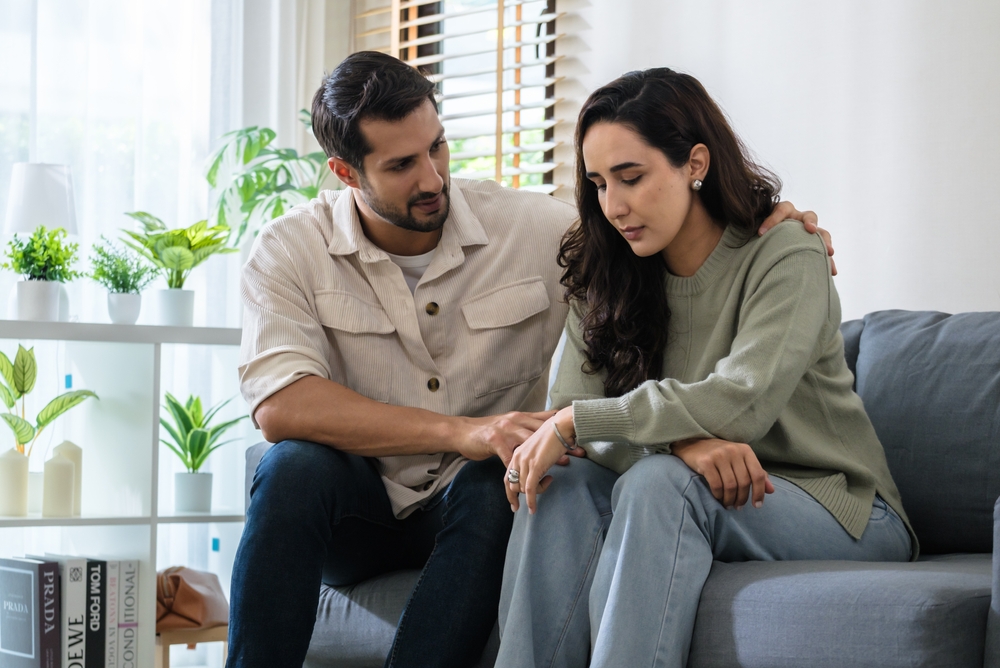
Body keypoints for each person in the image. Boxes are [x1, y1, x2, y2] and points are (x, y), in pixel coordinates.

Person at [228, 53, 829, 668]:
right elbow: (281, 405)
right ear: (347, 173)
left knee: (515, 474)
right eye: (402, 165)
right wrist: (463, 431)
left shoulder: (541, 230)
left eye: (437, 148)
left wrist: (779, 224)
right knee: (291, 468)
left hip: (478, 499)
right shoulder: (289, 250)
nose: (433, 178)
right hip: (358, 507)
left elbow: (651, 228)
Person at [496, 68, 916, 668]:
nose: (613, 206)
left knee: (658, 482)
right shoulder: (608, 274)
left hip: (837, 504)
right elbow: (579, 433)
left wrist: (635, 442)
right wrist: (680, 445)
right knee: (561, 485)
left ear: (695, 163)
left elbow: (739, 402)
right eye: (598, 184)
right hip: (699, 487)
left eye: (631, 177)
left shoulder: (786, 253)